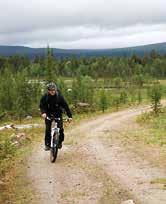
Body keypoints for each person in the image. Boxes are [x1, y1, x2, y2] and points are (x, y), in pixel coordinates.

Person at [39, 82, 72, 150]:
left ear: (56, 90)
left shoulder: (59, 97)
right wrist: (43, 113)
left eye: (54, 90)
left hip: (58, 114)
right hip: (48, 114)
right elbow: (42, 105)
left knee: (60, 129)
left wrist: (70, 116)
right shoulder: (45, 97)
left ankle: (59, 142)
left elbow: (66, 106)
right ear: (48, 90)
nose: (52, 91)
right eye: (51, 90)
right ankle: (47, 145)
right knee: (48, 129)